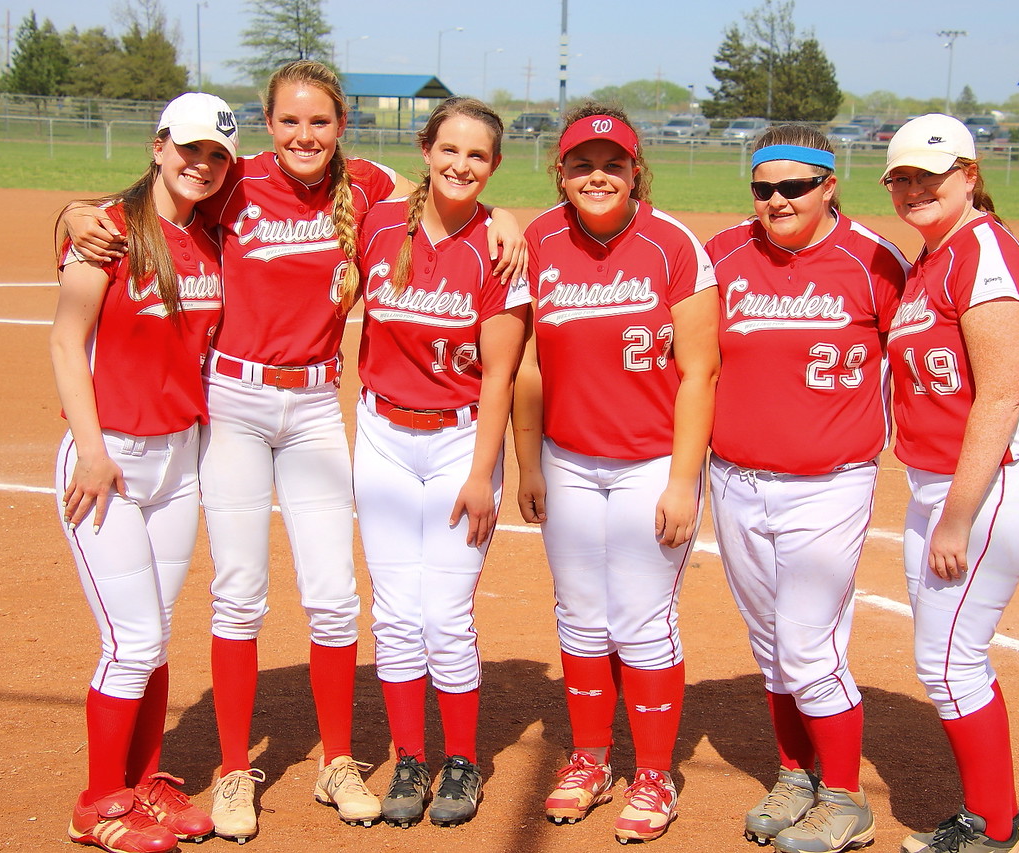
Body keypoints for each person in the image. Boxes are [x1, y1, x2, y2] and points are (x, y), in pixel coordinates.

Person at [64, 61, 526, 843]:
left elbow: (453, 189)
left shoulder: (369, 186)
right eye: (288, 121)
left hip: (314, 405)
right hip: (234, 403)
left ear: (342, 126)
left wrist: (506, 214)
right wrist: (73, 213)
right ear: (267, 124)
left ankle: (338, 760)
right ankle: (236, 770)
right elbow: (141, 205)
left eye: (320, 122)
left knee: (333, 592)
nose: (304, 136)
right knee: (240, 589)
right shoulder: (230, 181)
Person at [512, 103, 720, 844]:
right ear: (559, 172)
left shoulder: (672, 245)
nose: (595, 175)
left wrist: (682, 480)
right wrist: (526, 458)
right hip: (567, 460)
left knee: (641, 618)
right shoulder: (537, 238)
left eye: (612, 163)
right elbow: (529, 362)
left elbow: (699, 371)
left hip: (646, 464)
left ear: (636, 171)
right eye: (579, 163)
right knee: (578, 614)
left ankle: (656, 771)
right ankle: (592, 757)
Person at [703, 124, 907, 853]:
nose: (776, 200)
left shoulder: (875, 261)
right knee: (770, 644)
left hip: (828, 484)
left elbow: (921, 357)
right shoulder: (723, 254)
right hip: (732, 476)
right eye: (763, 188)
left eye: (793, 186)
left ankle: (845, 796)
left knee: (807, 642)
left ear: (829, 184)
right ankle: (796, 772)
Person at [51, 92, 237, 853]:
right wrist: (92, 448)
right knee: (130, 641)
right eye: (188, 148)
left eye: (217, 155)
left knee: (155, 637)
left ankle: (147, 783)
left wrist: (504, 217)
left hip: (179, 460)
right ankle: (98, 804)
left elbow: (374, 176)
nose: (201, 164)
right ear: (158, 145)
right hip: (110, 460)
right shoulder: (108, 231)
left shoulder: (212, 233)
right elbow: (67, 341)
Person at [880, 114, 1019, 853]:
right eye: (903, 178)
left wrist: (954, 517)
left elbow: (998, 398)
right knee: (947, 653)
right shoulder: (934, 257)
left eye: (933, 173)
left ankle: (994, 825)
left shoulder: (981, 253)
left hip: (990, 486)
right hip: (942, 487)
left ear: (970, 174)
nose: (917, 188)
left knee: (949, 660)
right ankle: (989, 813)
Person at [350, 96, 529, 830]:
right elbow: (325, 173)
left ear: (493, 167)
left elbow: (500, 373)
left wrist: (483, 474)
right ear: (425, 150)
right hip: (382, 435)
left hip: (460, 441)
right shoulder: (376, 220)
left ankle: (460, 759)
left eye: (478, 156)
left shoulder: (498, 245)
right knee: (393, 615)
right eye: (448, 149)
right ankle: (409, 756)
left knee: (445, 615)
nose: (461, 165)